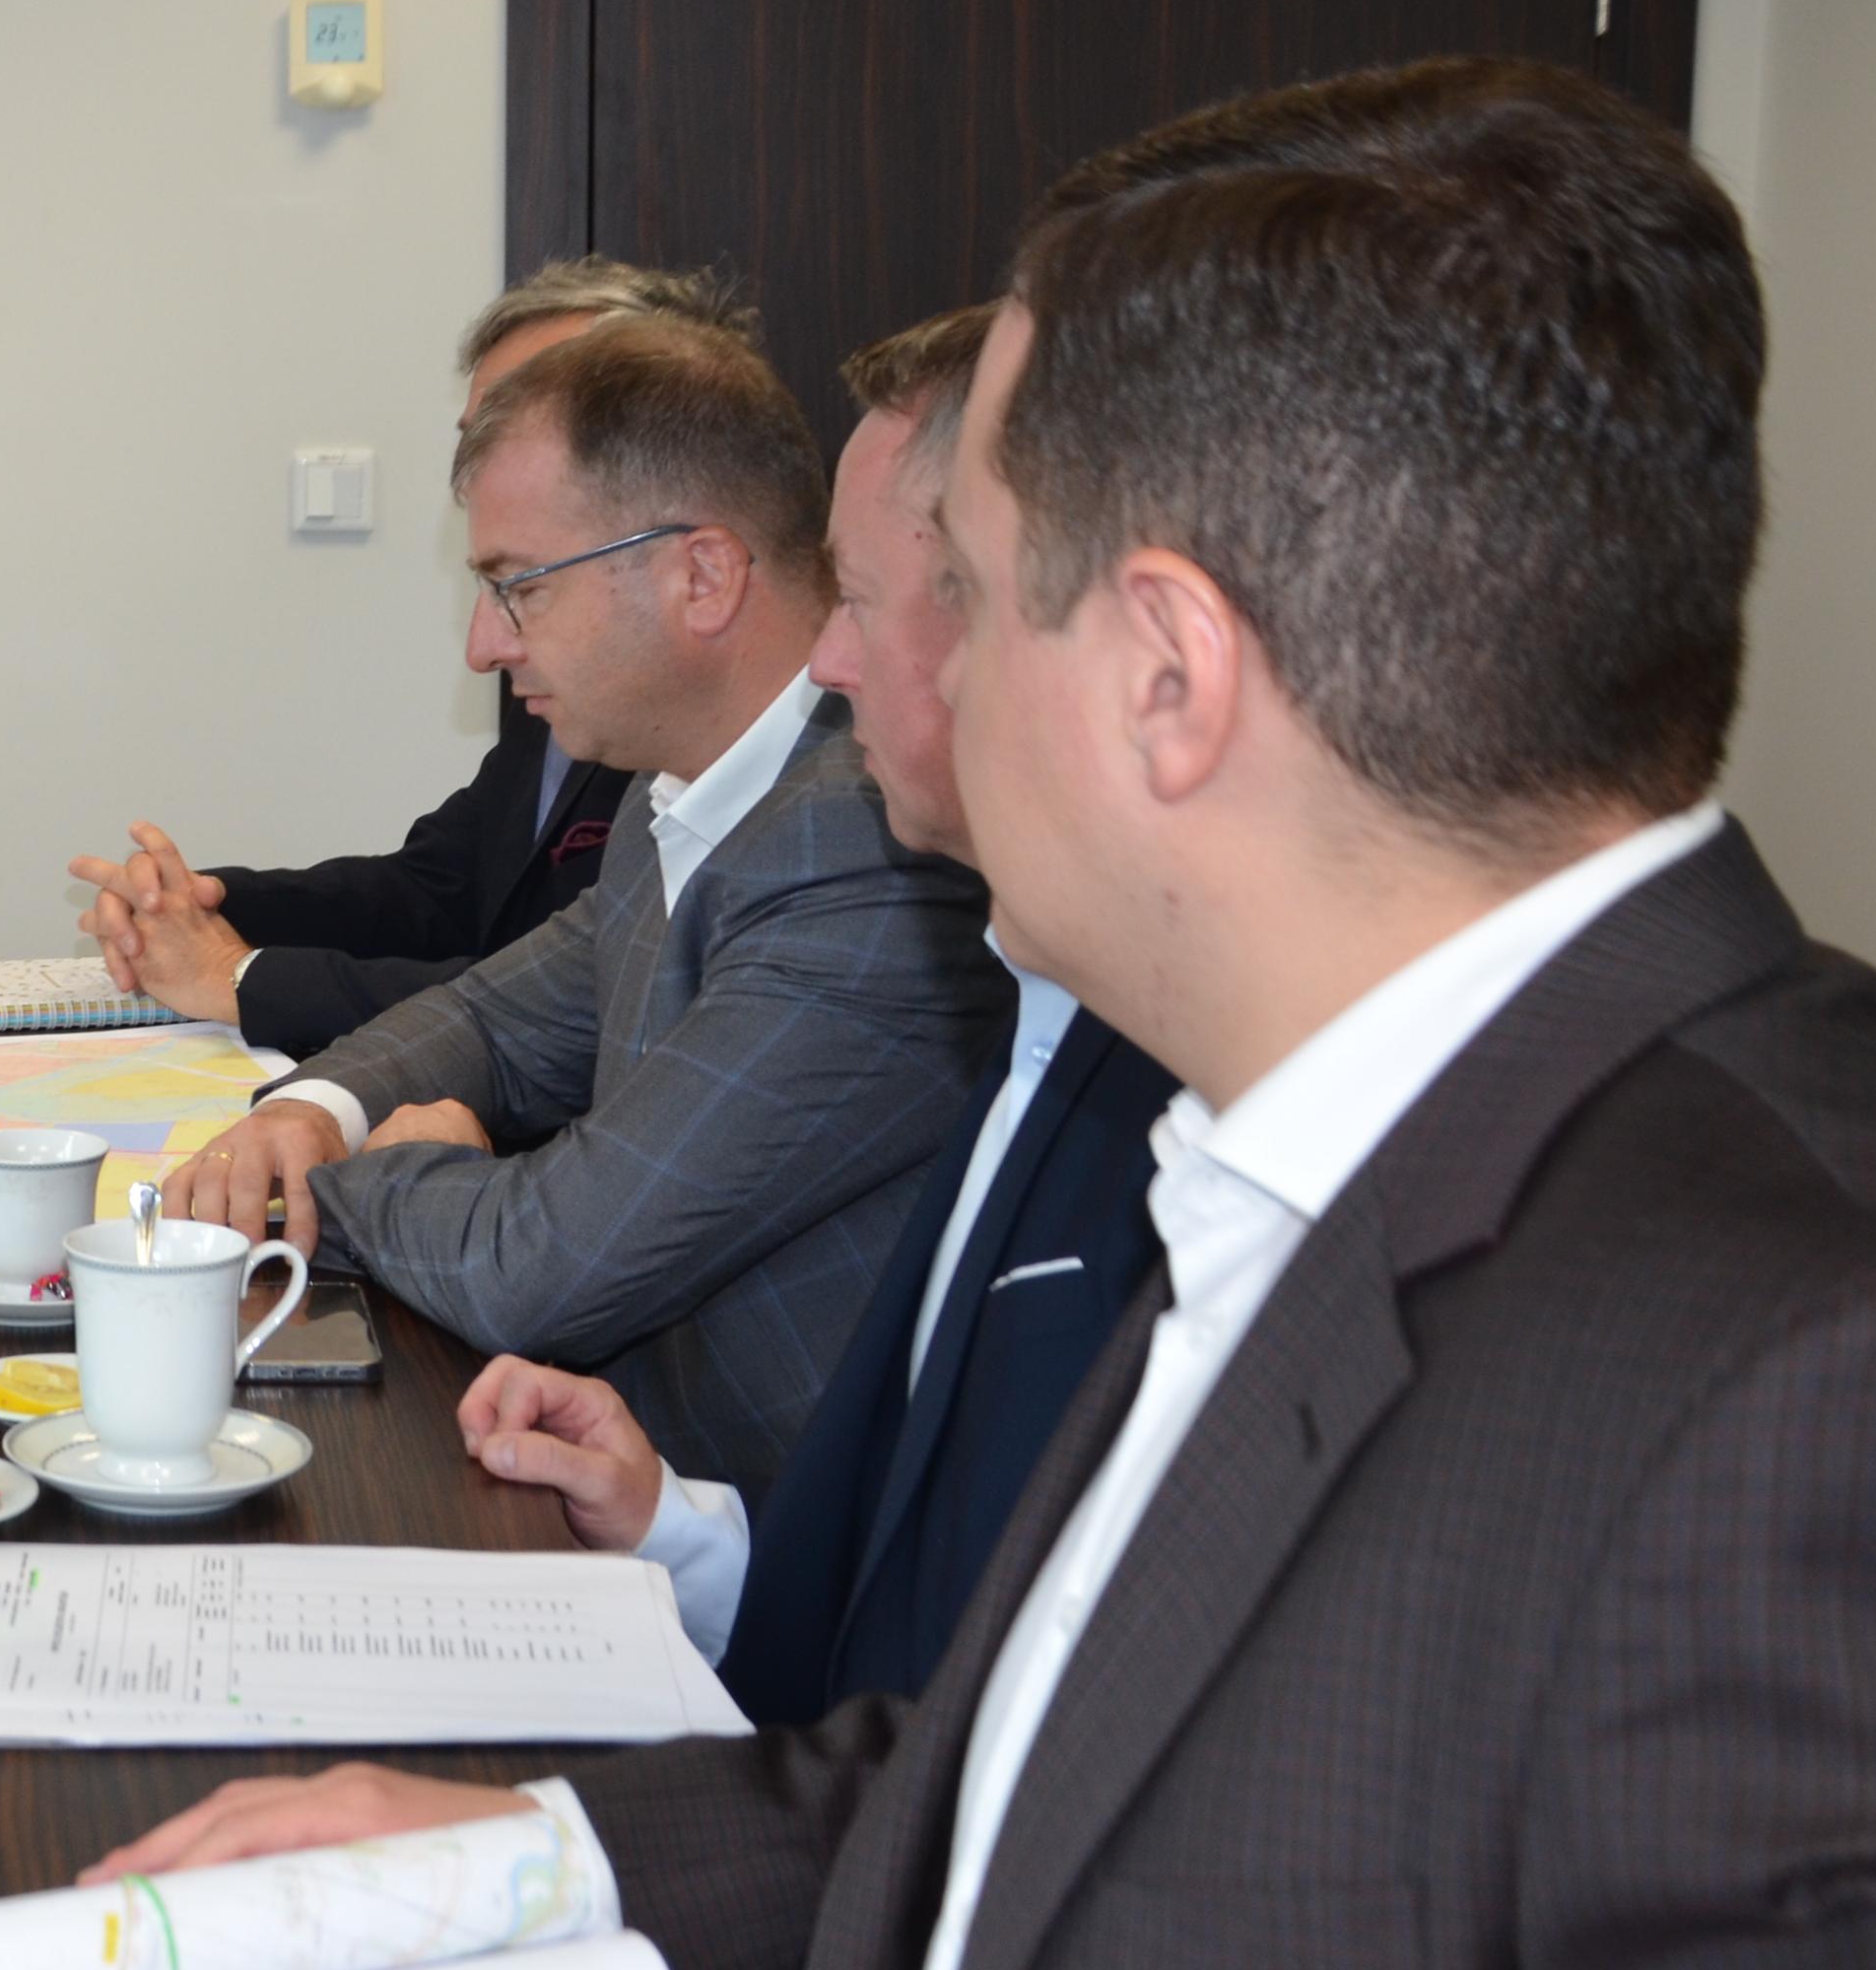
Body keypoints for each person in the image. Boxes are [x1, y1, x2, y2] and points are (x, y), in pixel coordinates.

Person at [98, 58, 1876, 1970]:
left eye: (962, 587)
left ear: (1167, 675)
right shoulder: (1364, 1115)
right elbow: (1063, 1759)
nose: (868, 673)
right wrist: (543, 1852)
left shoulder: (1832, 1356)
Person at [455, 306, 1173, 1718]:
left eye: (862, 597)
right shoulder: (1056, 998)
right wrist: (680, 1533)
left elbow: (1006, 1730)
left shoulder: (888, 887)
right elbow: (933, 1614)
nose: (828, 665)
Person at [159, 326, 1008, 1493]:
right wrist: (312, 1111)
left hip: (779, 1551)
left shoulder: (860, 845)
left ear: (700, 576)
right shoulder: (690, 794)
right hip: (635, 1473)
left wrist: (368, 1175)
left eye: (519, 586)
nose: (482, 646)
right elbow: (495, 1020)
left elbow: (539, 1267)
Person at [70, 259, 754, 1057]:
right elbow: (439, 891)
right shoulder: (564, 674)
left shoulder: (712, 732)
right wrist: (205, 904)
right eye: (479, 431)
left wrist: (242, 977)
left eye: (529, 417)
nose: (485, 650)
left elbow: (570, 1010)